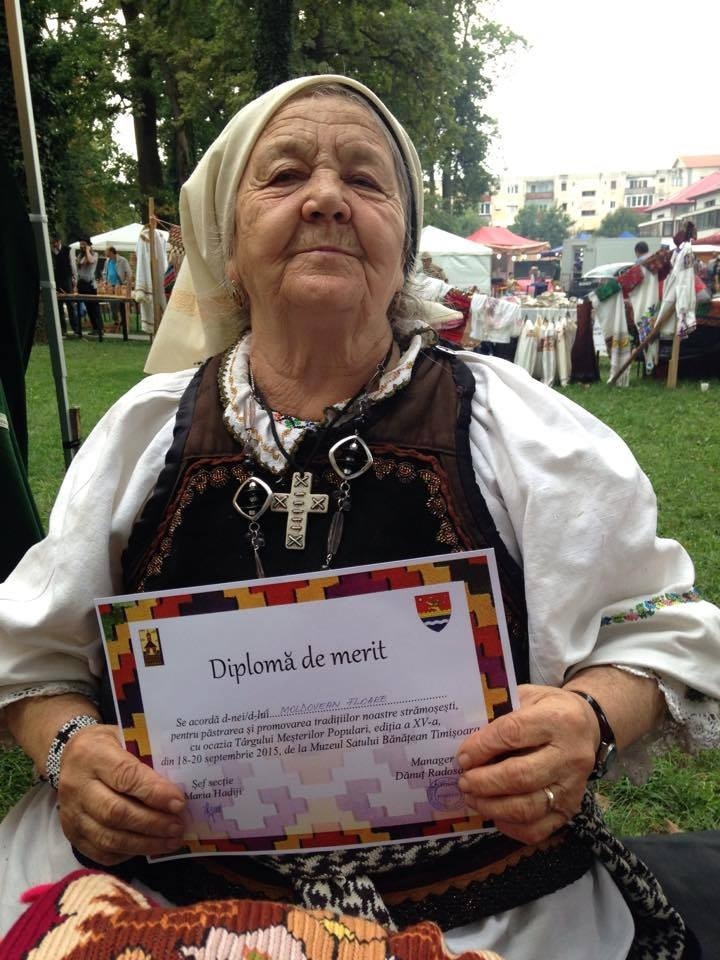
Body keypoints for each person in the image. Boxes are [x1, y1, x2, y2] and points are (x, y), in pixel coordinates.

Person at [0, 75, 718, 960]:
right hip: (164, 901)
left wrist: (591, 720)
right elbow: (29, 656)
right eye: (285, 174)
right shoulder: (146, 434)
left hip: (484, 913)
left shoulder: (521, 427)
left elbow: (658, 629)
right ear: (227, 246)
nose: (328, 199)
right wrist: (69, 749)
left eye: (366, 180)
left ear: (404, 246)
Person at [50, 236, 79, 336]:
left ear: (59, 241)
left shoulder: (68, 250)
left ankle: (75, 329)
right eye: (52, 243)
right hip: (57, 280)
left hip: (67, 279)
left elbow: (73, 265)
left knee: (70, 304)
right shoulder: (51, 251)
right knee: (59, 305)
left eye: (55, 242)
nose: (54, 244)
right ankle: (63, 330)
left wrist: (75, 279)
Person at [75, 237, 103, 340]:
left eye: (84, 244)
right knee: (88, 308)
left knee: (94, 307)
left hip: (90, 285)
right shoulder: (80, 255)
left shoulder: (94, 254)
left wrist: (87, 250)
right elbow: (79, 268)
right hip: (82, 284)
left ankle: (99, 328)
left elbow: (90, 261)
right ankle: (94, 328)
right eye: (80, 244)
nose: (81, 246)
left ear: (89, 245)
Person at [101, 246, 133, 330]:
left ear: (111, 252)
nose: (105, 253)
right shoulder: (107, 261)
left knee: (120, 304)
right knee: (112, 305)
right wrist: (105, 281)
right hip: (110, 286)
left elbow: (129, 272)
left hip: (119, 285)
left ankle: (123, 321)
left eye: (106, 251)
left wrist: (125, 283)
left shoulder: (122, 260)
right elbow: (104, 272)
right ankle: (116, 321)